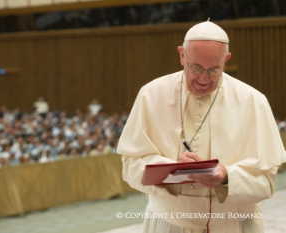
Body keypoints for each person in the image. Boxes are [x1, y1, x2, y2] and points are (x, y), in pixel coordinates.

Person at [117, 19, 286, 233]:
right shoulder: (151, 95)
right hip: (169, 224)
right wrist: (171, 171)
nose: (204, 79)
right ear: (182, 55)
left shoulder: (253, 101)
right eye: (196, 67)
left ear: (226, 60)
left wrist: (226, 177)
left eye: (214, 70)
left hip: (234, 224)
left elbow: (267, 181)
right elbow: (130, 166)